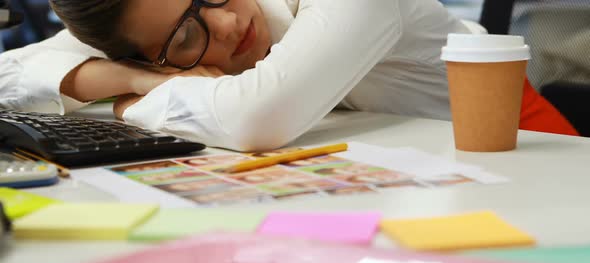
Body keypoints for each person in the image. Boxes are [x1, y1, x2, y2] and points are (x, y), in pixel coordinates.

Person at [0, 0, 486, 152]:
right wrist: (134, 77)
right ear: (152, 55)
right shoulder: (150, 23)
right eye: (188, 38)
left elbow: (256, 117)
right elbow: (7, 73)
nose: (228, 24)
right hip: (413, 162)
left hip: (520, 149)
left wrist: (142, 99)